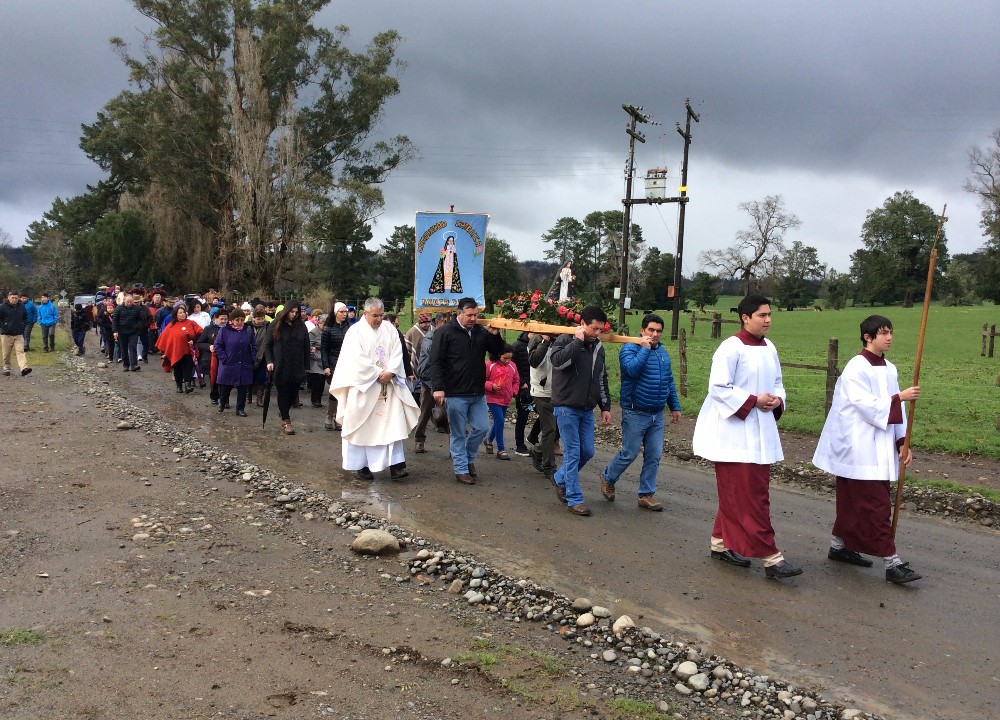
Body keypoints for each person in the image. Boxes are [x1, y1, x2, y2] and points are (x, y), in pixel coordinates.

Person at [692, 294, 802, 579]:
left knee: (743, 493)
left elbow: (778, 382)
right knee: (750, 497)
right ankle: (771, 558)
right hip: (733, 434)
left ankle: (719, 542)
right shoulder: (731, 347)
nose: (767, 320)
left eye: (769, 314)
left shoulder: (770, 348)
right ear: (745, 317)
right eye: (762, 315)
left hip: (761, 429)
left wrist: (777, 400)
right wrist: (753, 400)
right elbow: (718, 387)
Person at [812, 315, 923, 584]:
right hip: (857, 446)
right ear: (867, 336)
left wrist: (901, 442)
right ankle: (891, 561)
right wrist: (899, 398)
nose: (889, 337)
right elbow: (864, 405)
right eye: (883, 333)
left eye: (891, 332)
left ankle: (839, 546)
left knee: (854, 500)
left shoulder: (890, 369)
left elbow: (898, 413)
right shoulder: (856, 368)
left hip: (879, 444)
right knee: (876, 504)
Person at [329, 298, 419, 480]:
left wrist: (392, 372)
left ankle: (396, 465)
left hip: (388, 387)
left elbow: (397, 351)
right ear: (366, 313)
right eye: (375, 315)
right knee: (361, 427)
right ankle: (362, 465)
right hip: (364, 387)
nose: (379, 319)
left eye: (381, 315)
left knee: (392, 424)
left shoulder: (390, 329)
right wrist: (379, 373)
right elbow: (355, 359)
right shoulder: (355, 332)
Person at [599, 313, 681, 512]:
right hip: (635, 411)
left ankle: (646, 494)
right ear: (642, 330)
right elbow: (631, 371)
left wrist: (675, 406)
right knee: (629, 453)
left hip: (656, 413)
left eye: (658, 331)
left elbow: (668, 381)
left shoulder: (662, 353)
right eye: (651, 330)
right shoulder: (629, 349)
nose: (654, 334)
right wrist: (645, 349)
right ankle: (608, 477)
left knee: (654, 454)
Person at [428, 297, 504, 484]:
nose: (473, 319)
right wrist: (437, 387)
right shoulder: (445, 332)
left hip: (477, 392)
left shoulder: (479, 332)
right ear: (459, 314)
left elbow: (497, 350)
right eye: (469, 315)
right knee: (458, 432)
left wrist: (494, 335)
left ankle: (468, 458)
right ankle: (461, 469)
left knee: (481, 428)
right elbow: (436, 361)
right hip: (455, 392)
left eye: (475, 315)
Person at [549, 306, 612, 516]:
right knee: (573, 453)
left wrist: (605, 406)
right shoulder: (565, 340)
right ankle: (574, 498)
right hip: (566, 406)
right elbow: (558, 363)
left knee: (588, 451)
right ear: (582, 324)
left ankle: (559, 478)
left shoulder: (598, 347)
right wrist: (577, 342)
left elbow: (601, 378)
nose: (596, 333)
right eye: (594, 328)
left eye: (600, 330)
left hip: (586, 408)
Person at [263, 303, 310, 435]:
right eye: (291, 311)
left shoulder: (301, 326)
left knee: (293, 393)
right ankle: (286, 420)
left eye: (296, 312)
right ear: (286, 311)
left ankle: (284, 410)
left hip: (297, 364)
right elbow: (268, 344)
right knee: (283, 391)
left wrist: (306, 365)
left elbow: (306, 346)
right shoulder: (276, 324)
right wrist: (270, 361)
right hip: (281, 364)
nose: (294, 314)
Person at [412, 312, 448, 453]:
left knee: (452, 413)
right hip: (429, 380)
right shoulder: (430, 336)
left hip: (446, 381)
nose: (447, 325)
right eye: (445, 322)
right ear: (438, 322)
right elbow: (429, 354)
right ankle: (419, 440)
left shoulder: (450, 336)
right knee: (425, 411)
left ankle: (455, 448)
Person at [214, 309, 256, 417]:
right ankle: (222, 402)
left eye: (242, 319)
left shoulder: (248, 330)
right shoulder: (224, 330)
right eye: (237, 320)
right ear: (232, 320)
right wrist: (224, 358)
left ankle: (240, 408)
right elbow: (218, 346)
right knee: (225, 386)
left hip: (244, 362)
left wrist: (252, 358)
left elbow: (254, 346)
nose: (240, 322)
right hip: (229, 362)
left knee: (243, 387)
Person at [527, 333, 557, 479]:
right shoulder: (536, 339)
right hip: (542, 393)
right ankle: (549, 466)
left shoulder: (562, 339)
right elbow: (534, 361)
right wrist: (545, 341)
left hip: (560, 392)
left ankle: (538, 450)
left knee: (557, 429)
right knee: (549, 429)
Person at [483, 344, 520, 460]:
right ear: (498, 355)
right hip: (492, 398)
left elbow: (516, 380)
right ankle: (501, 449)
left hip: (506, 398)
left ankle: (489, 440)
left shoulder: (512, 366)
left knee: (499, 421)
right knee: (499, 420)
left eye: (510, 358)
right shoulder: (489, 365)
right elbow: (481, 380)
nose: (508, 361)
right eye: (505, 358)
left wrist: (514, 391)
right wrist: (491, 386)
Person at [155, 304, 201, 392]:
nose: (183, 314)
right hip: (176, 351)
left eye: (184, 312)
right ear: (176, 314)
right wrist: (165, 351)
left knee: (188, 367)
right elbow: (164, 337)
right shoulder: (171, 325)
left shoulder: (191, 323)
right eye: (180, 313)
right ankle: (179, 386)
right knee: (177, 369)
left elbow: (200, 332)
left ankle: (188, 385)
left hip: (188, 350)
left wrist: (194, 340)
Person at [321, 302, 351, 430]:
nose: (344, 314)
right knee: (335, 391)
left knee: (345, 391)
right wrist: (326, 366)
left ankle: (340, 417)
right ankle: (330, 415)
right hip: (333, 363)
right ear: (335, 313)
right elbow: (324, 349)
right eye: (342, 312)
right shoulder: (328, 329)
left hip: (348, 364)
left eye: (346, 312)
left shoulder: (350, 328)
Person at [196, 309, 228, 401]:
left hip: (226, 357)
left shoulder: (229, 329)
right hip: (212, 358)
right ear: (216, 318)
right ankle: (215, 396)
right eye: (221, 319)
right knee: (214, 377)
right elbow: (200, 343)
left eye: (225, 319)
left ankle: (224, 399)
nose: (223, 321)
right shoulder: (208, 329)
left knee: (225, 378)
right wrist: (209, 347)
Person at [510, 331, 532, 455]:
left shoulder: (542, 344)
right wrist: (522, 383)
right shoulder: (517, 347)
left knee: (546, 413)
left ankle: (533, 436)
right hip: (524, 389)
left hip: (537, 388)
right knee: (523, 415)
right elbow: (513, 367)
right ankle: (520, 445)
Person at [1, 290, 31, 377]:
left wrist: (23, 325)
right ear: (8, 297)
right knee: (6, 353)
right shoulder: (2, 307)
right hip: (6, 334)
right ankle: (7, 369)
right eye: (12, 298)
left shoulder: (21, 306)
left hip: (18, 333)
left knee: (20, 351)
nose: (14, 299)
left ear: (18, 298)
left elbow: (25, 317)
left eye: (16, 298)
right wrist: (4, 326)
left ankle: (24, 368)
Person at [113, 293, 146, 371]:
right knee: (124, 349)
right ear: (124, 301)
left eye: (131, 302)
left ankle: (134, 365)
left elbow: (140, 319)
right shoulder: (119, 308)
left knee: (133, 348)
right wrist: (115, 331)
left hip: (133, 332)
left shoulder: (137, 308)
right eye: (127, 302)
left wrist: (138, 327)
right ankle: (126, 365)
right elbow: (115, 320)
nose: (129, 303)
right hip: (122, 332)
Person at [307, 313, 326, 408]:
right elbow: (308, 346)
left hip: (324, 357)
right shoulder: (313, 332)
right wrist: (314, 354)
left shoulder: (327, 332)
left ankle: (319, 398)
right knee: (317, 380)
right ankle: (315, 400)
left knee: (322, 381)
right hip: (315, 359)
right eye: (323, 324)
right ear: (319, 323)